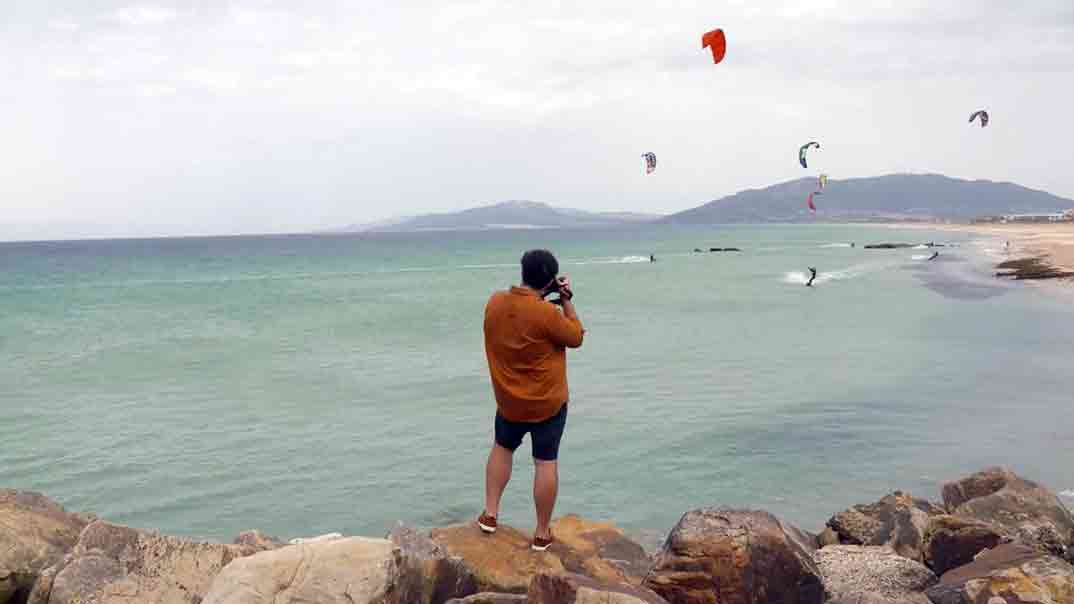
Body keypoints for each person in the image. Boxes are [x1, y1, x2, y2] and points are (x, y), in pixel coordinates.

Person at [479, 249, 584, 551]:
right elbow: (576, 336)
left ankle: (490, 514)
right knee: (545, 463)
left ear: (523, 271)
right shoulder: (547, 314)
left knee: (502, 448)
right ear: (551, 278)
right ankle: (541, 533)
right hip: (547, 404)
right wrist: (564, 299)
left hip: (509, 401)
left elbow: (518, 317)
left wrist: (542, 295)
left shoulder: (495, 302)